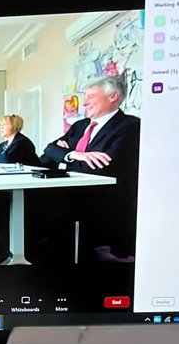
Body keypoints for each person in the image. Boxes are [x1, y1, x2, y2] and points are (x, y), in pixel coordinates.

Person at [38, 75, 141, 262]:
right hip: (70, 196)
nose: (84, 103)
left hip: (99, 203)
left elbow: (102, 168)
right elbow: (48, 151)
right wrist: (76, 154)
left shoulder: (130, 126)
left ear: (113, 97)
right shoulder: (80, 126)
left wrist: (64, 156)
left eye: (91, 97)